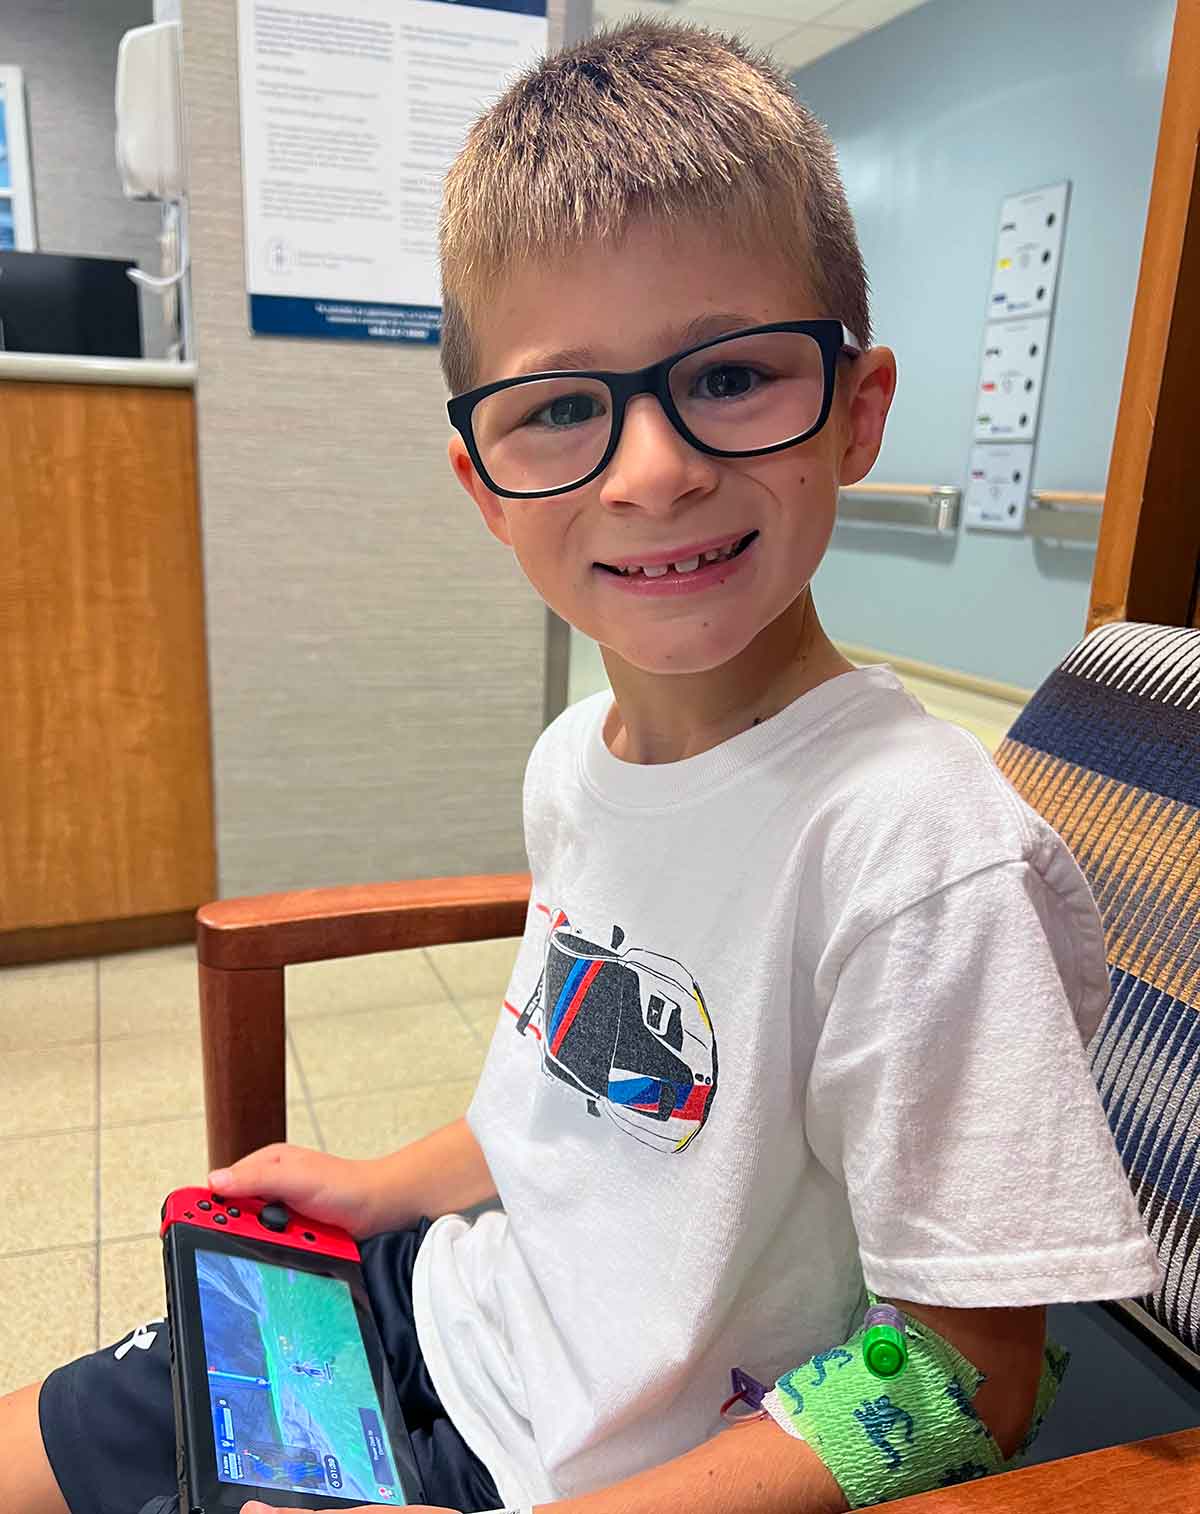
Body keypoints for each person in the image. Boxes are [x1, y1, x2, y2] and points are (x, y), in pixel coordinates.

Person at [0, 20, 1159, 1514]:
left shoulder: (923, 858)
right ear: (485, 482)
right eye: (560, 405)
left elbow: (959, 1384)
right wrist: (381, 1190)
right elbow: (563, 1110)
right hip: (434, 1305)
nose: (652, 466)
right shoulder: (573, 764)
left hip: (571, 1476)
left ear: (858, 408)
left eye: (733, 374)